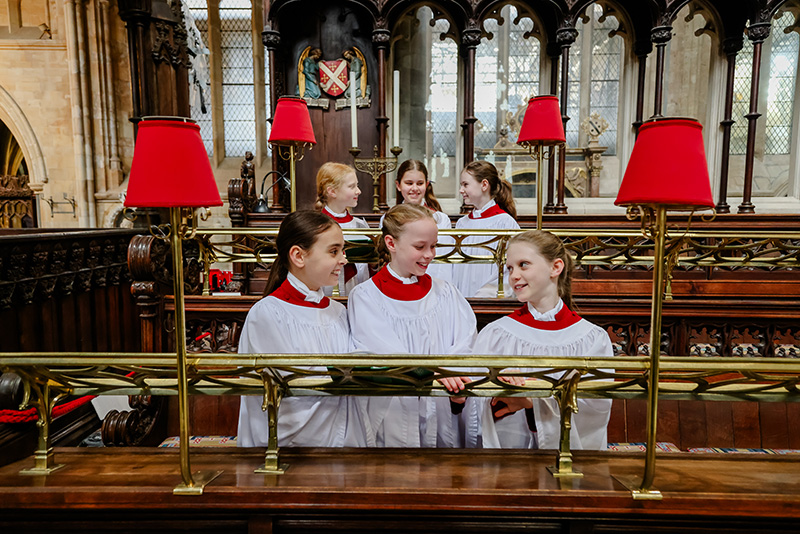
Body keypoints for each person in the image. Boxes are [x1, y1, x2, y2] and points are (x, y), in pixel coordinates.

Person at [348, 204, 479, 448]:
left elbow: (466, 340)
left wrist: (450, 371)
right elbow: (380, 352)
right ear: (391, 243)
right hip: (394, 413)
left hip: (442, 407)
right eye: (420, 247)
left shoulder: (445, 293)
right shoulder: (366, 296)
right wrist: (431, 371)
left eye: (433, 246)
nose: (429, 254)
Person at [237, 211, 369, 448]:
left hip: (346, 443)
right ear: (298, 255)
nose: (344, 260)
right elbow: (283, 390)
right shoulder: (267, 314)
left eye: (343, 250)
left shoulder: (338, 312)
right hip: (294, 451)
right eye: (333, 251)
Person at [473, 230, 612, 450]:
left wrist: (532, 402)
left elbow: (595, 410)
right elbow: (475, 408)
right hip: (509, 457)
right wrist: (498, 387)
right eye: (510, 268)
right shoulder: (496, 334)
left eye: (524, 264)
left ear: (555, 267)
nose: (514, 276)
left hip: (569, 463)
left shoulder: (591, 339)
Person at [451, 160, 520, 298]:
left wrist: (485, 294)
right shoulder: (462, 223)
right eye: (461, 185)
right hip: (461, 295)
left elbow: (511, 268)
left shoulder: (505, 223)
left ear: (484, 185)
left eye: (465, 185)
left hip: (489, 298)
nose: (461, 190)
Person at [381, 159, 452, 283]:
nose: (415, 188)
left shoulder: (441, 219)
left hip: (432, 281)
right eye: (409, 183)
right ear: (398, 185)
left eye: (420, 183)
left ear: (427, 184)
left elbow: (443, 262)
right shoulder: (387, 218)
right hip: (398, 282)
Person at [315, 162, 371, 296]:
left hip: (355, 289)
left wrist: (372, 264)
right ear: (332, 191)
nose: (358, 191)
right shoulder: (316, 224)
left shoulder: (360, 225)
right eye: (352, 186)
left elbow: (365, 269)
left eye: (357, 185)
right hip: (324, 292)